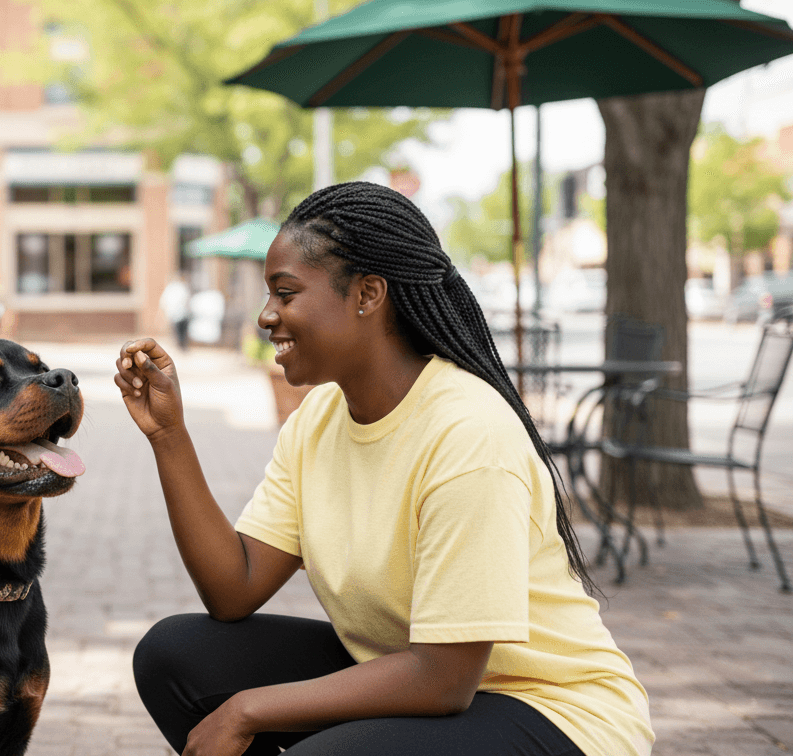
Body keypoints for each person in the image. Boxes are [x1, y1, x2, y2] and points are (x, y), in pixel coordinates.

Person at [113, 182, 652, 756]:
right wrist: (169, 435)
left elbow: (444, 678)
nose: (266, 315)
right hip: (423, 679)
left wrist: (247, 710)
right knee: (175, 656)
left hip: (552, 710)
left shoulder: (467, 433)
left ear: (367, 294)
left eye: (285, 293)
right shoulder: (318, 418)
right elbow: (234, 589)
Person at [160, 274, 194, 350]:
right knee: (180, 331)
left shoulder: (173, 288)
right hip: (179, 313)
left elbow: (164, 301)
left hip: (178, 313)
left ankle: (180, 345)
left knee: (179, 331)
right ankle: (181, 345)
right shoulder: (180, 287)